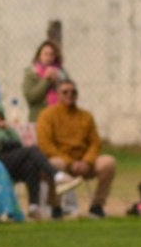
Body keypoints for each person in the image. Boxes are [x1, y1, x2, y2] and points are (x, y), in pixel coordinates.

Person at [0, 99, 83, 218]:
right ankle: (57, 175)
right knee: (31, 150)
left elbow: (18, 144)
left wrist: (8, 130)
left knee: (30, 166)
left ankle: (33, 207)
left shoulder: (4, 129)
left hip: (11, 158)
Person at [35, 80, 117, 219]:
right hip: (63, 162)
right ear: (57, 95)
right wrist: (70, 162)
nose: (70, 95)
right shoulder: (47, 115)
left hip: (84, 163)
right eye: (65, 92)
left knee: (108, 162)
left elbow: (95, 143)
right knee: (54, 164)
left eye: (73, 92)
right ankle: (56, 207)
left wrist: (87, 161)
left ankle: (97, 206)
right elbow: (46, 145)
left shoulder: (86, 116)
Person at [23, 40, 66, 122]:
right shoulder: (31, 73)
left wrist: (57, 82)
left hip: (60, 119)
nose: (48, 57)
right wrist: (46, 80)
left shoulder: (62, 73)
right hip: (39, 118)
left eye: (51, 54)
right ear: (39, 55)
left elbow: (68, 96)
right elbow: (31, 97)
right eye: (45, 54)